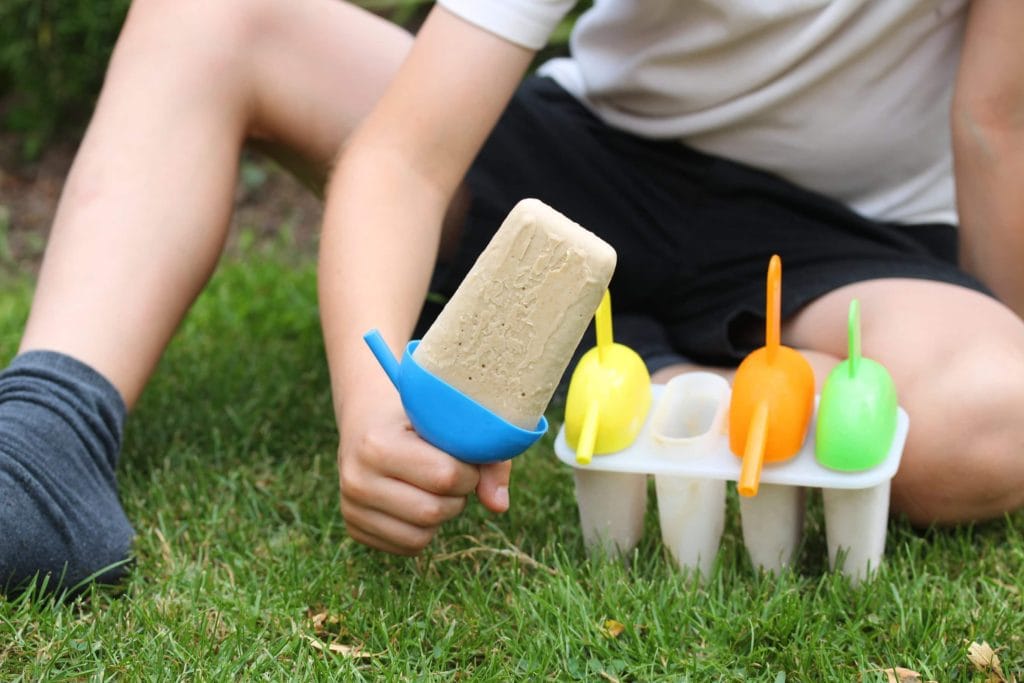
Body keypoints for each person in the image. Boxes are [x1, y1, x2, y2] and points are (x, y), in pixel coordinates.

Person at [2, 0, 1023, 590]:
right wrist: (377, 403)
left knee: (990, 413)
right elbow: (405, 156)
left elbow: (995, 123)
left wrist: (989, 320)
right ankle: (47, 429)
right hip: (583, 174)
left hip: (844, 246)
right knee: (210, 13)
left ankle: (654, 373)